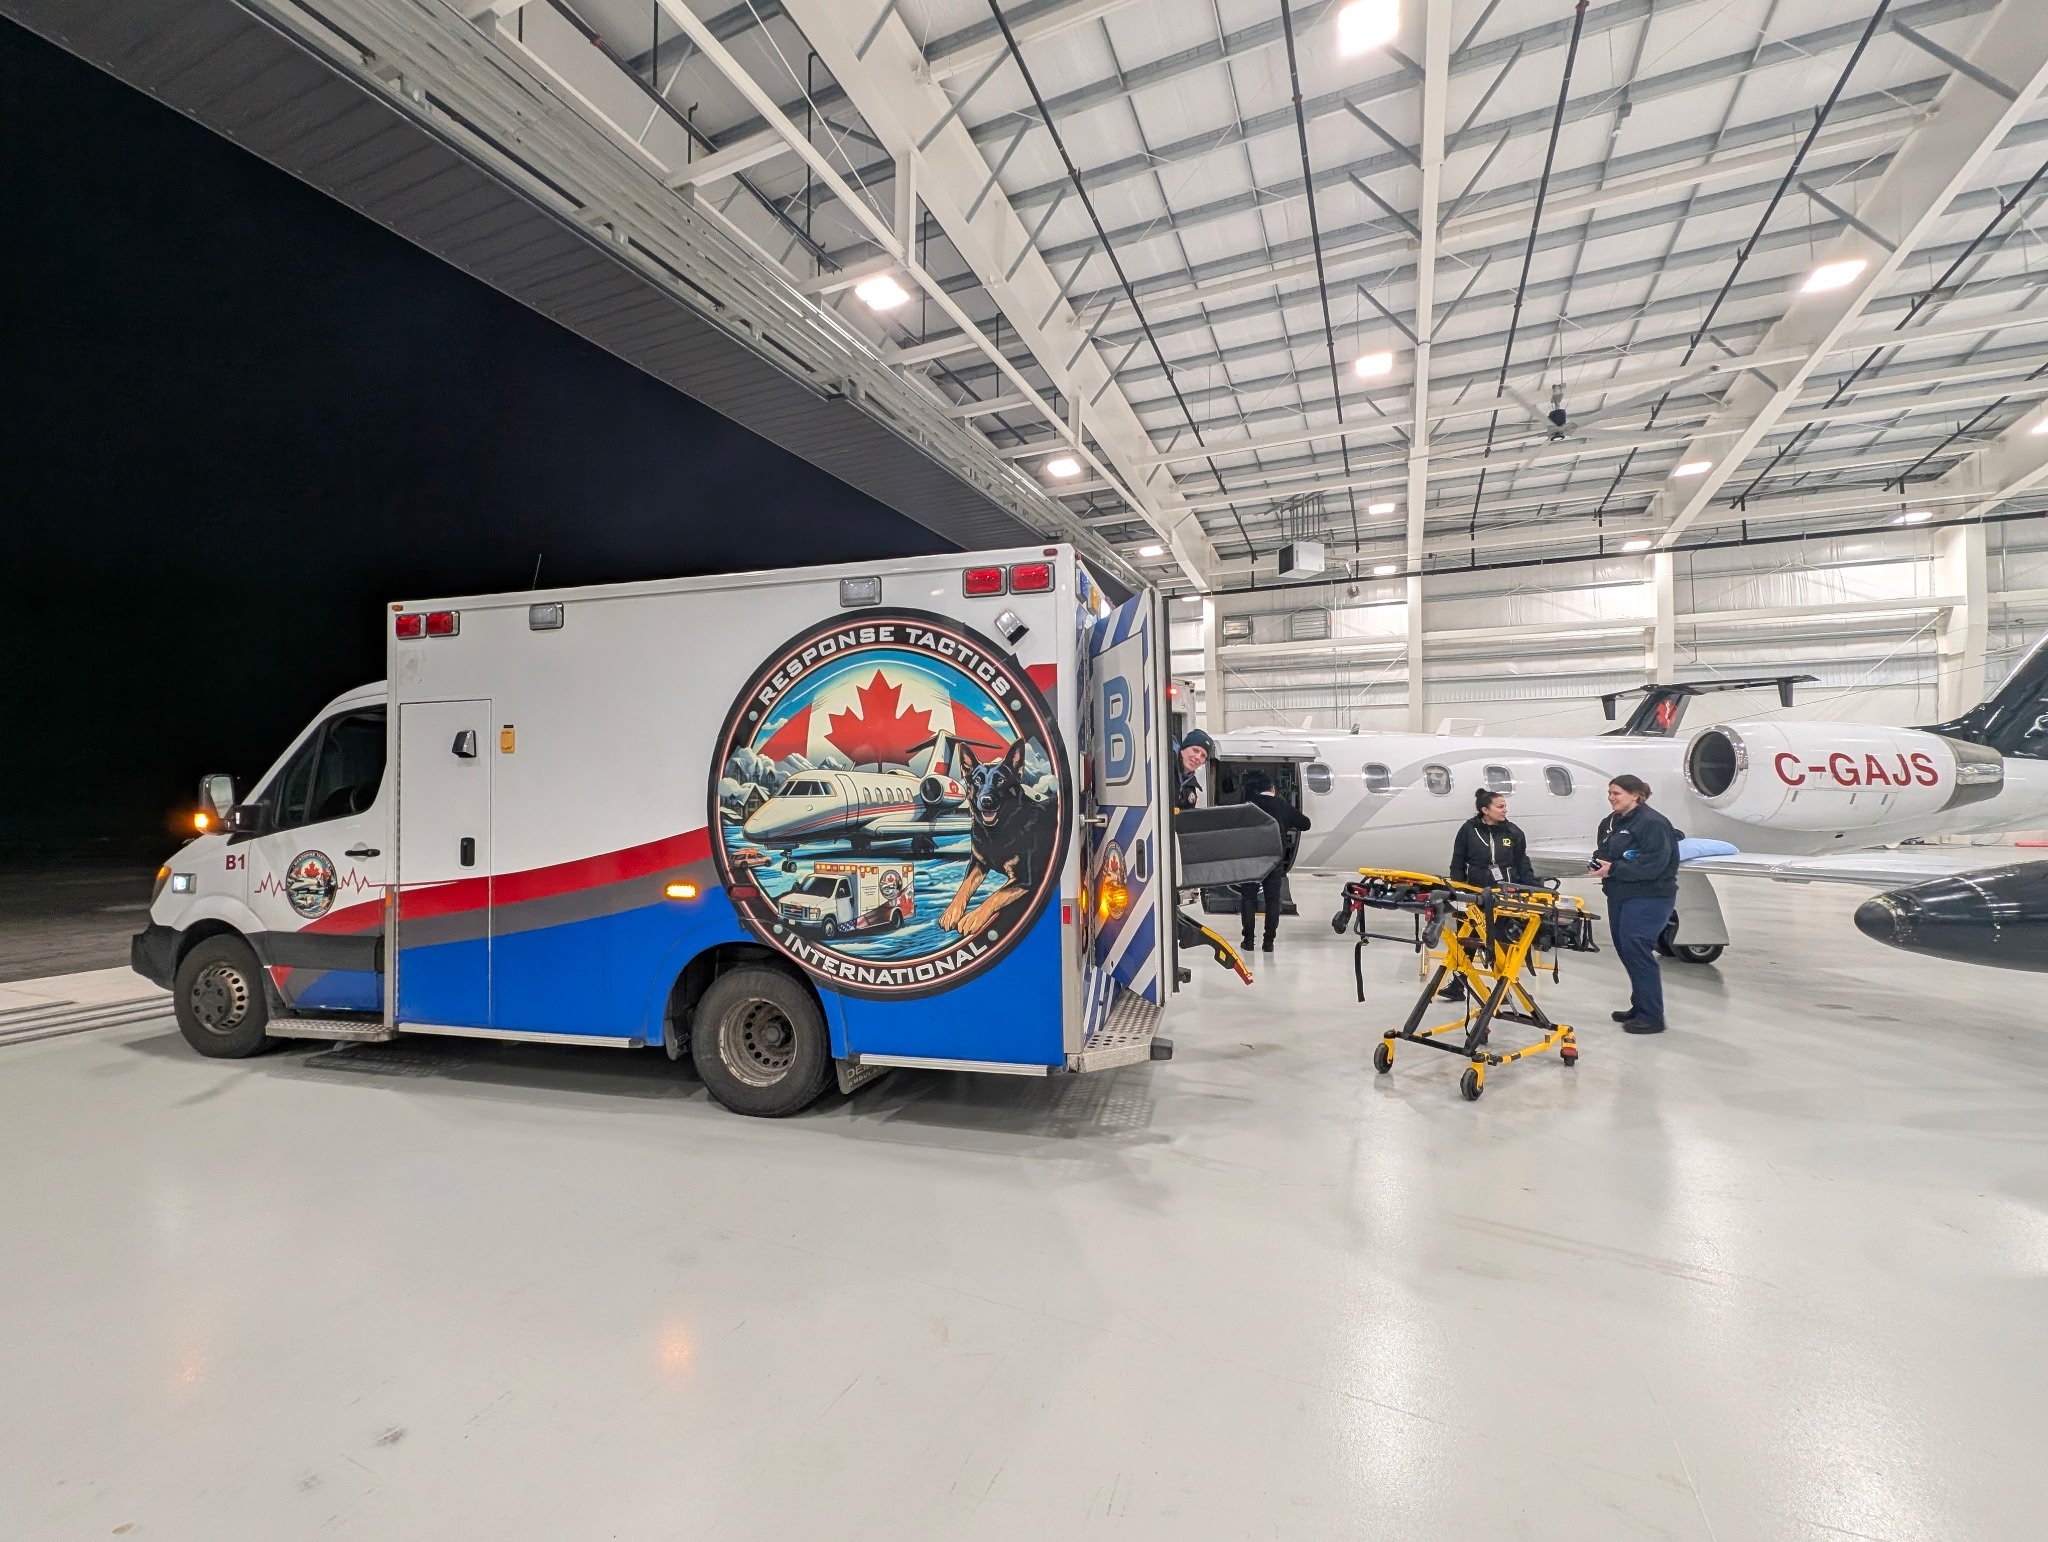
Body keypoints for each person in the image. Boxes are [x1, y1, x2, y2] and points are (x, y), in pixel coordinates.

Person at [1591, 773, 1682, 1034]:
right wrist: (1599, 862)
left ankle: (1652, 1016)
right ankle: (1640, 1006)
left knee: (1638, 950)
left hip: (1649, 896)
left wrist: (1614, 869)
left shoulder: (1652, 823)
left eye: (1616, 793)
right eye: (1609, 793)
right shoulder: (1611, 822)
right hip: (1620, 894)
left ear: (1635, 795)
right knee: (1626, 950)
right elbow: (1605, 851)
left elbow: (1655, 864)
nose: (1611, 798)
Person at [1440, 788, 1535, 1000]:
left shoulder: (1513, 832)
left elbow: (1522, 863)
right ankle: (1458, 984)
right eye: (1500, 806)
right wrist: (1458, 891)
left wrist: (1529, 889)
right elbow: (1457, 863)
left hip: (1503, 895)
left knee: (1500, 942)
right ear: (1485, 809)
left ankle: (1504, 991)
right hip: (1474, 894)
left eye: (1505, 806)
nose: (1505, 810)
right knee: (1466, 939)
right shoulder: (1468, 830)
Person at [1234, 770, 1311, 953]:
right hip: (1274, 859)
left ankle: (1248, 941)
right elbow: (1305, 824)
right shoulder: (1281, 806)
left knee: (1249, 898)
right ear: (1273, 789)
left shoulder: (1248, 806)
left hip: (1251, 858)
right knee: (1273, 900)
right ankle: (1268, 942)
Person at [1172, 728, 1214, 812]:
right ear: (1183, 749)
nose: (1197, 757)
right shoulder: (1165, 771)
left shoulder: (1191, 787)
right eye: (1195, 750)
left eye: (1203, 756)